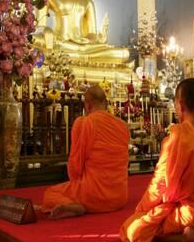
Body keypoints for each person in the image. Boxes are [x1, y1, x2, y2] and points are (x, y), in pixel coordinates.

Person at [120, 78, 194, 242]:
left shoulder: (178, 136)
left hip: (193, 216)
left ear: (180, 105)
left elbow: (160, 185)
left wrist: (142, 211)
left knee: (134, 227)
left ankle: (185, 239)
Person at [42, 85, 130, 219]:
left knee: (50, 194)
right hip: (119, 197)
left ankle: (75, 205)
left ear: (87, 106)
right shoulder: (123, 126)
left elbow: (75, 165)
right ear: (105, 104)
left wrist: (76, 185)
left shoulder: (85, 123)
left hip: (93, 196)